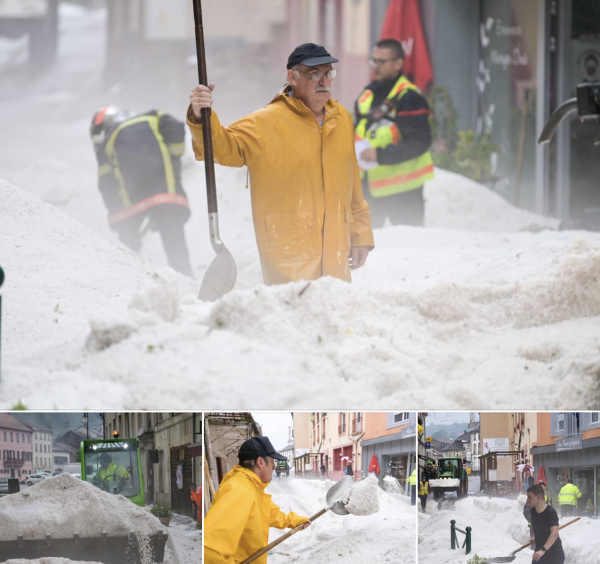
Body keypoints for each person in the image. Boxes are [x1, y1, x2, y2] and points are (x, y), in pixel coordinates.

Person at [188, 43, 374, 285]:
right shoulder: (266, 122)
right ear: (292, 77)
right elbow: (221, 148)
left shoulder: (341, 119)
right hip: (288, 253)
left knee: (332, 313)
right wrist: (200, 114)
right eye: (315, 73)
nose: (324, 81)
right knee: (292, 314)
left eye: (329, 73)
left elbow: (352, 184)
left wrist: (360, 235)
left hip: (336, 251)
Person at [90, 105, 194, 277]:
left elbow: (107, 186)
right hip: (168, 196)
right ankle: (188, 281)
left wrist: (119, 222)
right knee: (175, 243)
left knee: (128, 248)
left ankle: (133, 279)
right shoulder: (154, 118)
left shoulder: (107, 143)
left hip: (133, 207)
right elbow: (175, 127)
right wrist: (173, 158)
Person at [354, 39, 434, 228]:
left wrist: (379, 155)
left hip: (404, 193)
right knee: (370, 250)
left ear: (398, 63)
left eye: (382, 62)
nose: (376, 66)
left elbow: (419, 142)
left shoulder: (409, 97)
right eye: (373, 61)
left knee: (410, 251)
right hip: (369, 190)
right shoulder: (367, 95)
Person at [204, 436, 311, 564]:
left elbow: (272, 514)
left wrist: (297, 521)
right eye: (272, 462)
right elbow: (210, 550)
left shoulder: (253, 487)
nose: (274, 467)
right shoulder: (239, 489)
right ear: (260, 462)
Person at [528, 484, 564, 564]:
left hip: (554, 554)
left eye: (530, 497)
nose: (528, 499)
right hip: (539, 553)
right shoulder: (533, 511)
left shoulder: (550, 512)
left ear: (539, 497)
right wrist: (534, 536)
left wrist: (543, 550)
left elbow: (554, 534)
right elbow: (537, 527)